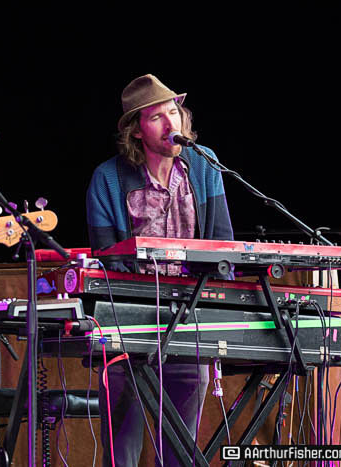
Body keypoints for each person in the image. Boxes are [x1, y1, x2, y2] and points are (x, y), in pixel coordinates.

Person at [86, 74, 233, 466]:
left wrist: (219, 311)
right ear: (136, 131)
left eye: (174, 112)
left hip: (190, 320)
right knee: (122, 450)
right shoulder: (108, 179)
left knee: (179, 451)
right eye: (156, 117)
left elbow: (223, 246)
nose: (171, 124)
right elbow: (106, 260)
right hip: (129, 325)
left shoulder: (205, 165)